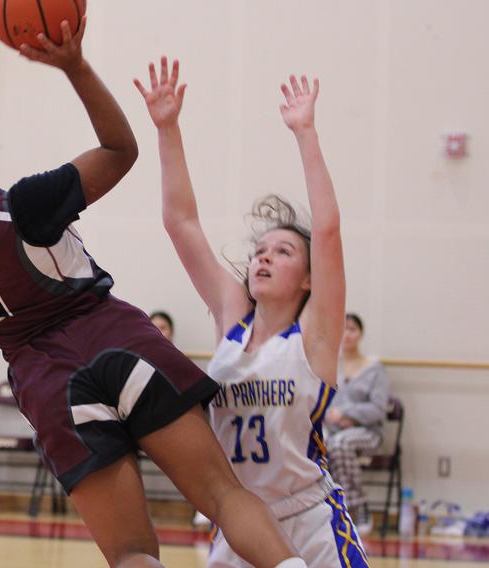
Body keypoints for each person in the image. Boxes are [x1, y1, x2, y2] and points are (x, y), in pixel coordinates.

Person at [0, 17, 306, 568]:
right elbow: (120, 149)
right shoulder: (27, 207)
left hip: (48, 383)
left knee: (130, 552)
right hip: (115, 339)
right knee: (224, 496)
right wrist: (74, 65)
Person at [137, 57, 368, 566]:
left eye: (283, 251)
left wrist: (305, 133)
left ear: (308, 279)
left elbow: (327, 231)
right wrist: (168, 129)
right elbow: (181, 222)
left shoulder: (315, 336)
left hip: (310, 522)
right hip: (239, 520)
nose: (263, 255)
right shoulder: (232, 320)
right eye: (260, 249)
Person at [324, 313, 389, 534]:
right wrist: (332, 416)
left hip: (367, 431)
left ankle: (357, 507)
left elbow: (378, 408)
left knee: (340, 444)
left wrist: (348, 414)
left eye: (352, 329)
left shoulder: (374, 369)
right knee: (322, 443)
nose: (347, 335)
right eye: (343, 329)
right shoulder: (331, 365)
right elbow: (320, 402)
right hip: (333, 430)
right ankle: (326, 509)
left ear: (360, 334)